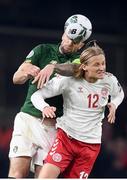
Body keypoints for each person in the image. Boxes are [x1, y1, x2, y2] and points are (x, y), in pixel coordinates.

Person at [8, 14, 93, 178]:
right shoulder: (43, 49)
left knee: (43, 177)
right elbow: (16, 78)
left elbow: (74, 70)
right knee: (17, 173)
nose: (69, 43)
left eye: (75, 41)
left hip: (54, 128)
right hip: (27, 119)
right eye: (68, 37)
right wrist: (28, 71)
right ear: (63, 33)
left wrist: (52, 67)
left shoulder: (78, 60)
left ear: (81, 45)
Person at [31, 43, 124, 178]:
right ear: (84, 66)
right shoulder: (68, 80)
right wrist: (44, 107)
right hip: (66, 139)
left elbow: (119, 94)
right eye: (96, 64)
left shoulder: (109, 80)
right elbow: (37, 95)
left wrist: (114, 104)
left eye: (103, 63)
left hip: (90, 145)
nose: (102, 68)